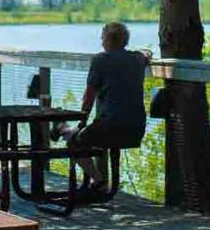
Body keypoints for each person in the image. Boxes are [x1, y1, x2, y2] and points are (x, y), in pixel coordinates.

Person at [55, 21, 151, 190]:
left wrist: (81, 122)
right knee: (86, 135)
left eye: (102, 38)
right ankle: (64, 130)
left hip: (109, 126)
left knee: (75, 143)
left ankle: (98, 181)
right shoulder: (137, 59)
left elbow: (89, 96)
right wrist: (146, 52)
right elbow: (147, 53)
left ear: (107, 40)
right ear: (125, 41)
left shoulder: (100, 60)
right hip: (135, 128)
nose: (101, 42)